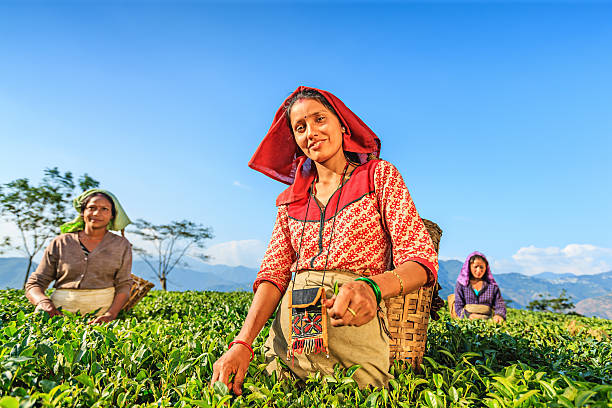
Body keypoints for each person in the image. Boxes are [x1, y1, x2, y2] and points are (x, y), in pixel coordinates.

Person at [211, 86, 438, 393]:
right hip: (289, 343)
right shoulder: (289, 201)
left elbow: (421, 259)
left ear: (342, 125)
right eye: (300, 127)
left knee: (354, 394)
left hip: (354, 336)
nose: (311, 132)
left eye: (319, 119)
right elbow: (274, 275)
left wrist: (372, 287)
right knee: (280, 394)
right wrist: (242, 344)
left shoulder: (378, 177)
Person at [25, 189, 133, 324]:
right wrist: (43, 302)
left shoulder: (121, 245)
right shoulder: (61, 242)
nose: (96, 213)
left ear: (112, 215)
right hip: (58, 316)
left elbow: (124, 285)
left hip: (102, 318)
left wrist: (111, 315)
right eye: (91, 208)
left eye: (104, 209)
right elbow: (36, 283)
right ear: (83, 212)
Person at [454, 251, 506, 323]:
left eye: (481, 267)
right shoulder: (462, 285)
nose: (479, 270)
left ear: (486, 268)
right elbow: (458, 305)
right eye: (475, 267)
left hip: (488, 321)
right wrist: (467, 316)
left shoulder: (492, 286)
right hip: (467, 321)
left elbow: (499, 304)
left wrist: (499, 315)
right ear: (469, 267)